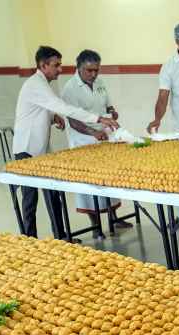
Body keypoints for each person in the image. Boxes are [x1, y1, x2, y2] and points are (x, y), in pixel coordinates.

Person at [12, 46, 118, 239]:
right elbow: (64, 108)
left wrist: (53, 117)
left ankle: (61, 236)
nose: (60, 69)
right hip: (26, 149)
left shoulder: (43, 83)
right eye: (56, 65)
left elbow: (41, 109)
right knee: (30, 199)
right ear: (43, 65)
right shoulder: (35, 84)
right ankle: (29, 240)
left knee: (53, 195)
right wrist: (98, 119)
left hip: (41, 149)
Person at [61, 50, 131, 235]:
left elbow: (106, 103)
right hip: (83, 140)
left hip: (103, 136)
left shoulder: (99, 82)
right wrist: (92, 132)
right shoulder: (70, 89)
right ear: (79, 68)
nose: (93, 74)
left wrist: (112, 110)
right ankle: (96, 226)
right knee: (89, 184)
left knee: (108, 178)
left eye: (96, 70)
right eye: (89, 70)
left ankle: (114, 218)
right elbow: (73, 120)